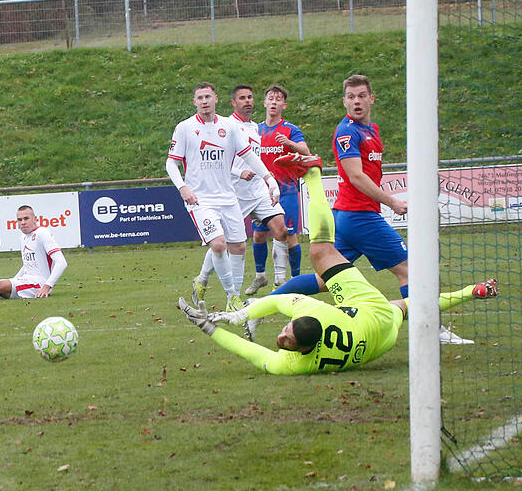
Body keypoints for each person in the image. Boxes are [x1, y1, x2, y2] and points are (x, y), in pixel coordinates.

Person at [178, 152, 498, 375]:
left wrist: (212, 327)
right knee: (397, 299)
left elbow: (250, 351)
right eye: (287, 331)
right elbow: (278, 303)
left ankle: (313, 175)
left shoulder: (292, 363)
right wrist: (236, 316)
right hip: (376, 320)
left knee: (321, 264)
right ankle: (314, 174)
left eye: (285, 336)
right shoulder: (316, 315)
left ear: (302, 351)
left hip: (372, 336)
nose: (282, 337)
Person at [272, 74, 472, 345]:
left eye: (361, 96)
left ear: (371, 99)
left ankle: (260, 308)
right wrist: (392, 201)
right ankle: (431, 330)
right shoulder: (347, 132)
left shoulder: (372, 130)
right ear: (344, 101)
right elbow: (355, 176)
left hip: (348, 216)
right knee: (410, 269)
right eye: (351, 97)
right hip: (360, 217)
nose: (356, 102)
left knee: (324, 280)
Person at [166, 82, 280, 312]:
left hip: (228, 197)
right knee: (218, 245)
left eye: (208, 96)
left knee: (238, 247)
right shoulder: (185, 128)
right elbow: (171, 162)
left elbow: (249, 156)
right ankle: (231, 294)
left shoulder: (229, 126)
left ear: (216, 99)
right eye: (200, 97)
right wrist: (182, 187)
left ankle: (230, 300)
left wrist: (270, 179)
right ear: (194, 102)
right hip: (200, 199)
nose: (204, 101)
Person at [191, 85, 288, 305]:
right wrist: (237, 171)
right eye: (242, 98)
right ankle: (202, 279)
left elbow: (253, 158)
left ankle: (280, 283)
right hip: (234, 192)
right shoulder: (225, 126)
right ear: (233, 103)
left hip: (257, 191)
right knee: (223, 242)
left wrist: (267, 179)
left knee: (281, 228)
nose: (247, 101)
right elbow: (217, 161)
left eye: (250, 97)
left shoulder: (255, 127)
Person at [251, 84, 311, 291]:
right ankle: (260, 275)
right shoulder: (255, 129)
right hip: (261, 192)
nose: (274, 102)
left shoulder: (291, 130)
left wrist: (289, 143)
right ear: (265, 102)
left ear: (284, 105)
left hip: (287, 190)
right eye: (271, 98)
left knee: (289, 234)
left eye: (278, 99)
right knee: (259, 234)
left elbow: (305, 151)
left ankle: (295, 280)